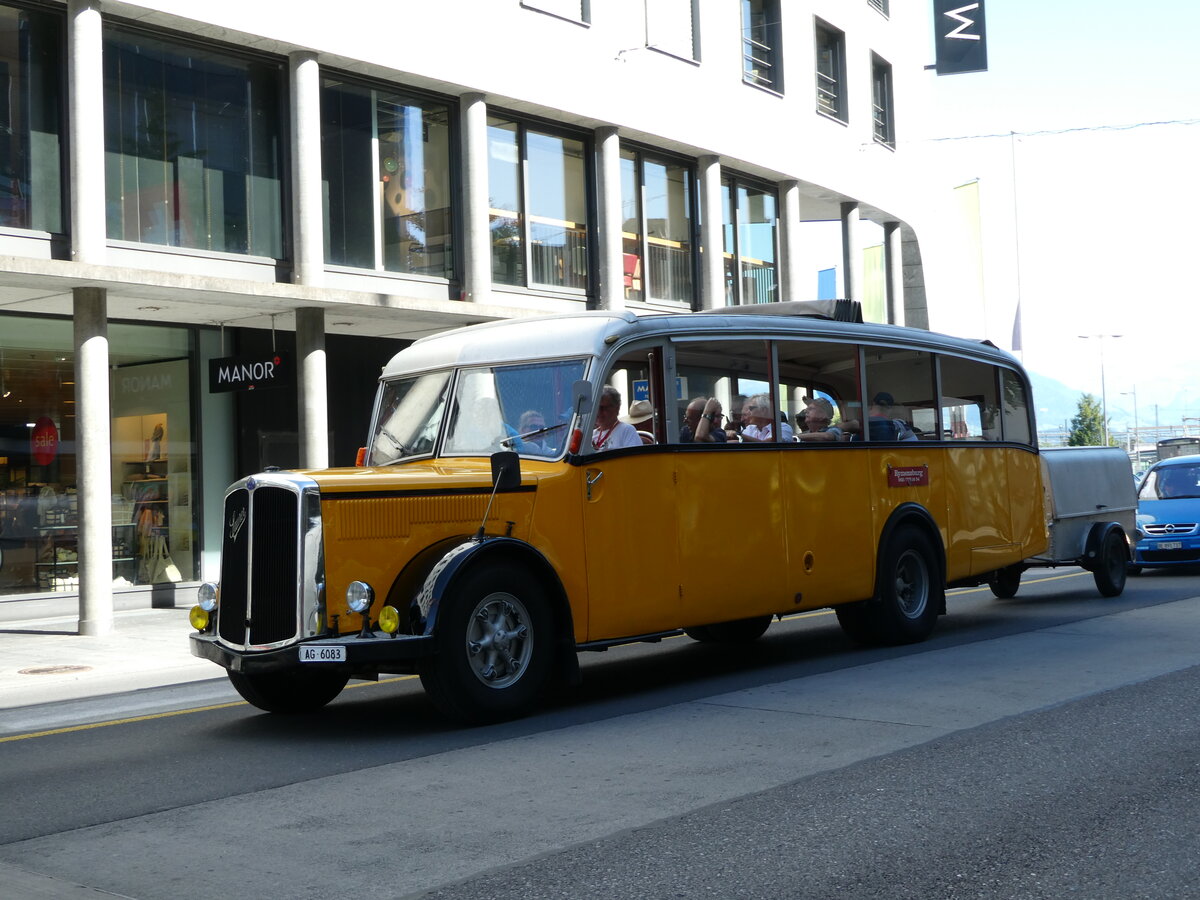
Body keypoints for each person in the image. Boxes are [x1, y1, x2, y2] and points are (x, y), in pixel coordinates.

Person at [592, 385, 643, 451]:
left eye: (603, 408)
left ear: (617, 408)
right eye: (596, 407)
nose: (599, 412)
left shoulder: (627, 430)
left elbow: (635, 458)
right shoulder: (592, 434)